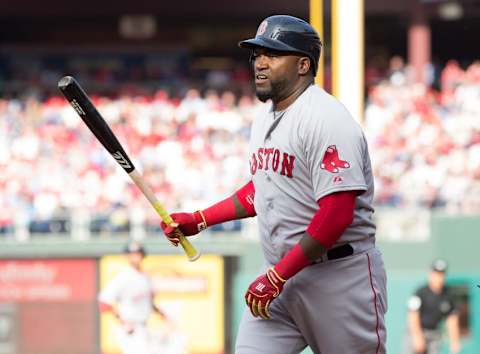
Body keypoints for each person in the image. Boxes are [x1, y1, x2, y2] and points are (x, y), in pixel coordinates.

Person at [161, 14, 387, 354]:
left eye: (273, 54)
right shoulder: (265, 117)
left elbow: (337, 214)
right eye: (257, 53)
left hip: (339, 276)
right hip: (282, 274)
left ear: (302, 65)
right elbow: (263, 190)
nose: (260, 63)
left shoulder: (326, 119)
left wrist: (278, 276)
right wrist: (200, 218)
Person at [98, 240, 184, 354]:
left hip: (143, 326)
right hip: (130, 327)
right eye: (132, 254)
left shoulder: (145, 277)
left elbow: (150, 303)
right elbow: (104, 303)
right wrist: (122, 322)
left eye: (138, 253)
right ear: (126, 256)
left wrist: (164, 316)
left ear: (143, 255)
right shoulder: (123, 277)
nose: (135, 257)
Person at [404, 259, 461, 354]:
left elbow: (452, 319)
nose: (439, 277)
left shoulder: (448, 295)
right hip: (417, 331)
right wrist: (417, 336)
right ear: (431, 274)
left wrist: (454, 341)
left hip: (434, 334)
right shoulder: (420, 292)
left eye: (442, 274)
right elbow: (412, 315)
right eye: (436, 273)